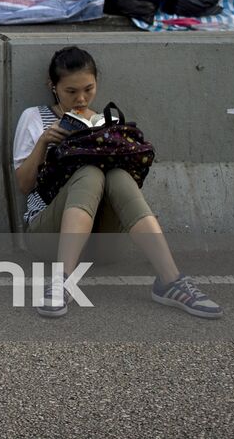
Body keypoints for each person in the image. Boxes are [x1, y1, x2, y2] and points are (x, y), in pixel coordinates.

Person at [13, 46, 222, 319]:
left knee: (116, 174)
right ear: (53, 86)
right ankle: (61, 280)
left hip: (103, 243)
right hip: (48, 237)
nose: (81, 98)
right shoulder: (35, 118)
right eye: (71, 91)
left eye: (89, 89)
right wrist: (43, 143)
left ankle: (171, 281)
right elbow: (23, 186)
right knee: (89, 171)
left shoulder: (106, 123)